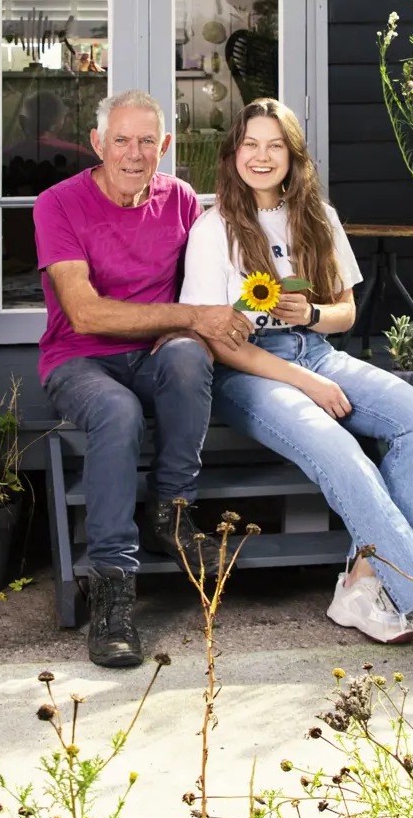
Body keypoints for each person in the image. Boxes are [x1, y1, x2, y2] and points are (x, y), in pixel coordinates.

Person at [178, 97, 413, 662]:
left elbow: (345, 313)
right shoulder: (214, 228)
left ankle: (360, 582)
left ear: (292, 155)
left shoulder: (317, 217)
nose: (261, 156)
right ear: (233, 154)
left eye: (274, 145)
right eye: (250, 145)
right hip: (249, 370)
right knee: (339, 445)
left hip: (317, 351)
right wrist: (305, 384)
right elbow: (217, 340)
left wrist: (309, 317)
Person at [35, 89, 254, 669]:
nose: (134, 153)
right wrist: (187, 318)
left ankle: (172, 513)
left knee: (188, 357)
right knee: (118, 412)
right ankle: (113, 589)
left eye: (146, 142)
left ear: (167, 146)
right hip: (78, 359)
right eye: (121, 140)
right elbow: (86, 313)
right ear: (97, 143)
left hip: (154, 355)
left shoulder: (181, 199)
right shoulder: (58, 204)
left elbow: (204, 287)